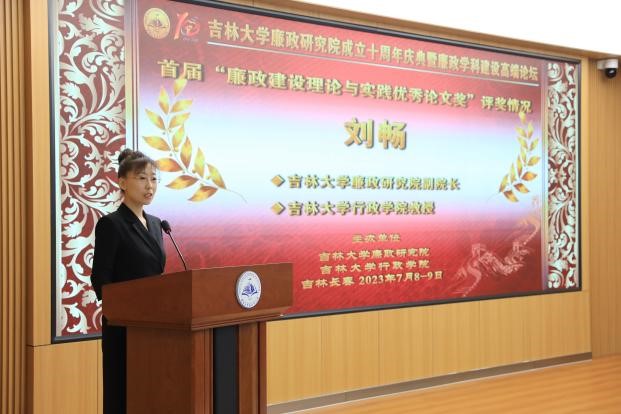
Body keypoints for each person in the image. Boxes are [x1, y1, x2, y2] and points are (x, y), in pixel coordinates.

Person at [91, 148, 166, 414]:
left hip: (155, 326)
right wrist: (128, 308)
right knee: (123, 397)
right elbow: (101, 280)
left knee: (150, 395)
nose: (150, 186)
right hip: (124, 328)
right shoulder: (112, 224)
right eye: (142, 178)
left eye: (154, 179)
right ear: (122, 182)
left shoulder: (156, 224)